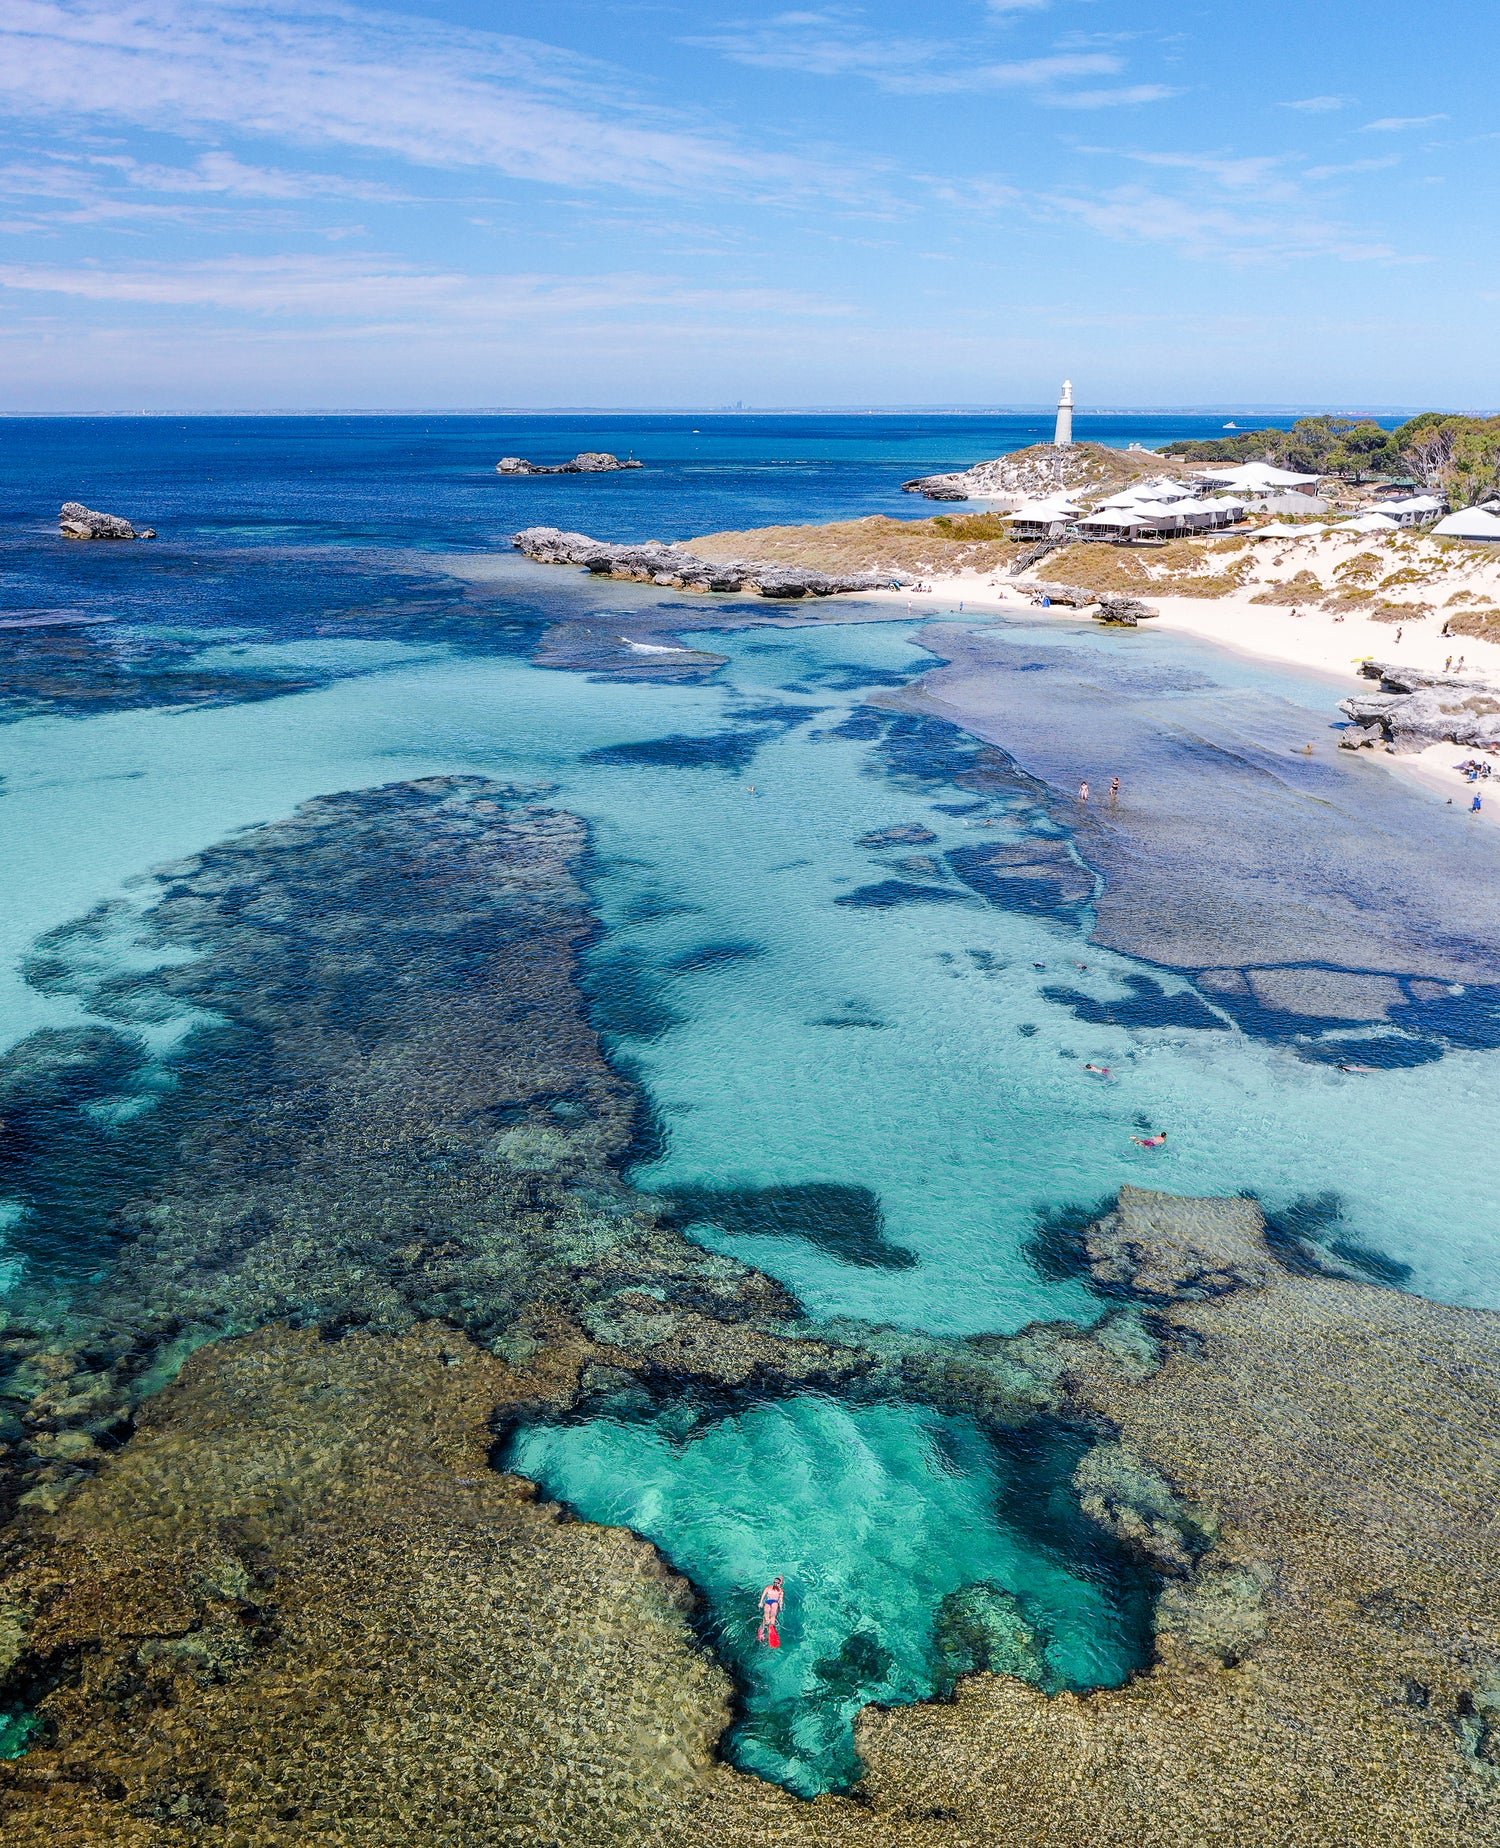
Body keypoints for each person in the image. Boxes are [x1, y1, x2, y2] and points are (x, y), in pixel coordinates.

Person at [758, 1577, 785, 1648]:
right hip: (771, 1602)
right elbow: (781, 1600)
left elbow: (763, 1595)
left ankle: (766, 1628)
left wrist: (761, 1602)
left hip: (771, 1602)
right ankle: (767, 1628)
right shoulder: (777, 1589)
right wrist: (781, 1607)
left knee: (769, 1616)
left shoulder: (773, 1588)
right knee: (770, 1617)